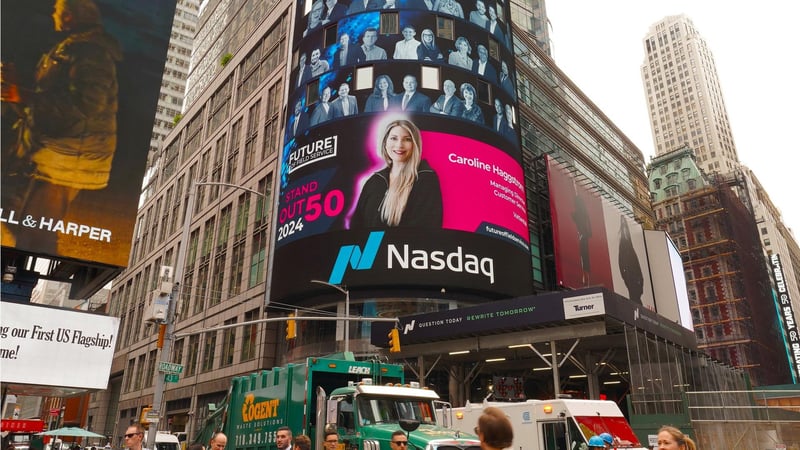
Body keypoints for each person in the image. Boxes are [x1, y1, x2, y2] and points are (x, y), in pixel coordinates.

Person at [1, 0, 122, 254]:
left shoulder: (91, 52)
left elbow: (85, 107)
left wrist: (22, 95)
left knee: (35, 234)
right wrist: (16, 90)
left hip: (68, 162)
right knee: (22, 224)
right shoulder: (75, 48)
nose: (52, 14)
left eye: (57, 10)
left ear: (69, 17)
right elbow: (50, 105)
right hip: (56, 157)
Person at [351, 119, 442, 228]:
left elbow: (428, 228)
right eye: (394, 138)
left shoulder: (426, 178)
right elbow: (356, 225)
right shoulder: (374, 181)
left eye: (407, 139)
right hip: (370, 245)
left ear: (415, 144)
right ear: (385, 143)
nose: (399, 145)